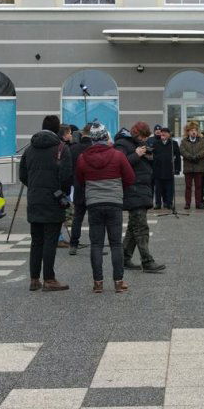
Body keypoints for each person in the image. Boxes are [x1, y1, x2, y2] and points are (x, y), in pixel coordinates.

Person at [75, 124, 135, 294]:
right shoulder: (118, 155)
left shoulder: (82, 158)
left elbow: (80, 180)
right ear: (105, 137)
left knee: (96, 244)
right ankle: (118, 282)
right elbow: (130, 178)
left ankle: (98, 283)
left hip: (94, 203)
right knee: (116, 244)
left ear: (92, 139)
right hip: (114, 202)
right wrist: (117, 188)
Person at [19, 123, 73, 292]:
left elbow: (22, 175)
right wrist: (61, 192)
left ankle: (34, 279)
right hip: (53, 199)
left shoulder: (29, 150)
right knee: (50, 240)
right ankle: (49, 279)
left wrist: (35, 186)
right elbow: (66, 176)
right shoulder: (61, 149)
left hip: (34, 199)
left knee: (36, 241)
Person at [115, 123, 165, 273]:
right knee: (141, 227)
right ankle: (147, 261)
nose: (145, 139)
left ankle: (124, 257)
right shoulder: (122, 144)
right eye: (143, 136)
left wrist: (148, 155)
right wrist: (136, 154)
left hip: (141, 187)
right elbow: (119, 163)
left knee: (133, 226)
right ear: (136, 133)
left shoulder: (137, 142)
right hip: (133, 188)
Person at [68, 124, 94, 255]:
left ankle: (73, 244)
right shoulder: (95, 149)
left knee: (77, 217)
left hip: (78, 187)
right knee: (94, 219)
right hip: (94, 188)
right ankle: (96, 245)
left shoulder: (73, 149)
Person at [152, 127, 180, 210]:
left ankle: (169, 203)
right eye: (162, 132)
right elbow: (153, 155)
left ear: (169, 134)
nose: (163, 134)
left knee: (169, 188)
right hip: (158, 170)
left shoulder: (173, 143)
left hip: (169, 170)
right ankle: (158, 203)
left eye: (165, 132)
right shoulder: (156, 143)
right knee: (158, 189)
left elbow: (177, 157)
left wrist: (177, 169)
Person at [180, 122, 204, 210]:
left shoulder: (201, 140)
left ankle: (198, 203)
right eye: (191, 130)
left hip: (199, 167)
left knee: (198, 187)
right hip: (188, 167)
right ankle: (187, 203)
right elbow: (182, 151)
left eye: (195, 130)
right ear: (188, 132)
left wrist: (197, 156)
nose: (193, 132)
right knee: (188, 187)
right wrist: (190, 157)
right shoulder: (184, 141)